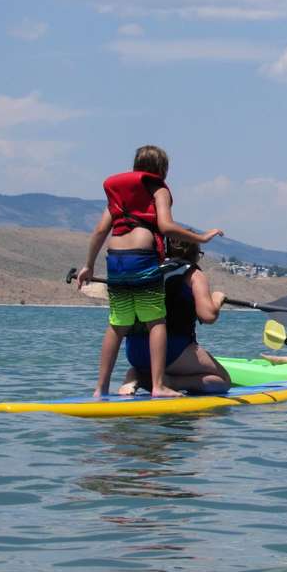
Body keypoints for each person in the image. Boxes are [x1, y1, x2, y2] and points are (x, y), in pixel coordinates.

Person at [75, 145, 223, 398]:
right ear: (162, 170)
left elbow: (100, 230)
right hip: (142, 258)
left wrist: (88, 264)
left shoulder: (119, 195)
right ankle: (158, 385)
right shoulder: (158, 189)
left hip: (115, 260)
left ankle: (100, 388)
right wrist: (201, 237)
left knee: (118, 323)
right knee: (156, 321)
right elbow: (165, 226)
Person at [117, 237, 231, 394]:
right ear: (194, 253)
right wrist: (217, 299)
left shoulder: (151, 269)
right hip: (171, 350)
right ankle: (171, 382)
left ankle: (136, 375)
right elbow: (208, 316)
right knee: (223, 381)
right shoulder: (194, 274)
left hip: (134, 350)